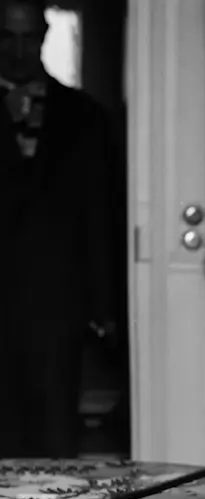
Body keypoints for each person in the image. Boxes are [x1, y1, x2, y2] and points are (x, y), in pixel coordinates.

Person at [0, 0, 118, 457]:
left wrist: (104, 307)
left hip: (58, 302)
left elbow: (100, 212)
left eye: (28, 36)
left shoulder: (85, 116)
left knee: (54, 430)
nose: (18, 49)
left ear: (44, 36)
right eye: (8, 37)